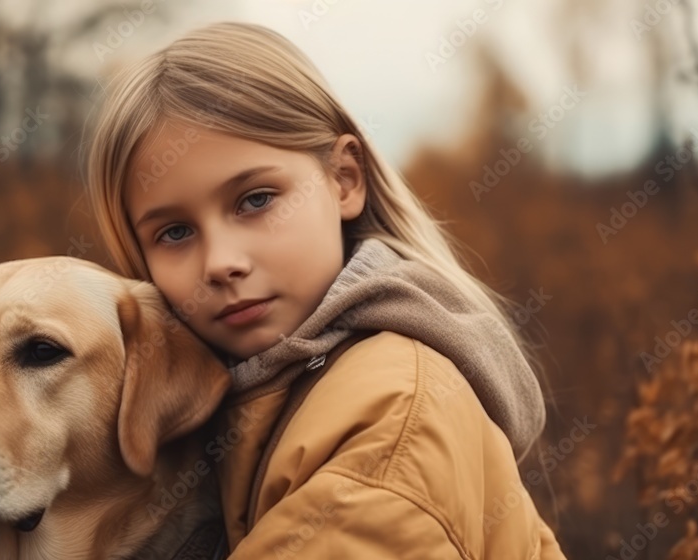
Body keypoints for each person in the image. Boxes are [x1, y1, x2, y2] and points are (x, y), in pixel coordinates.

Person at [84, 20, 567, 558]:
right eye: (174, 232)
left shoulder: (390, 415)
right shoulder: (227, 401)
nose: (220, 263)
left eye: (256, 200)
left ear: (344, 179)